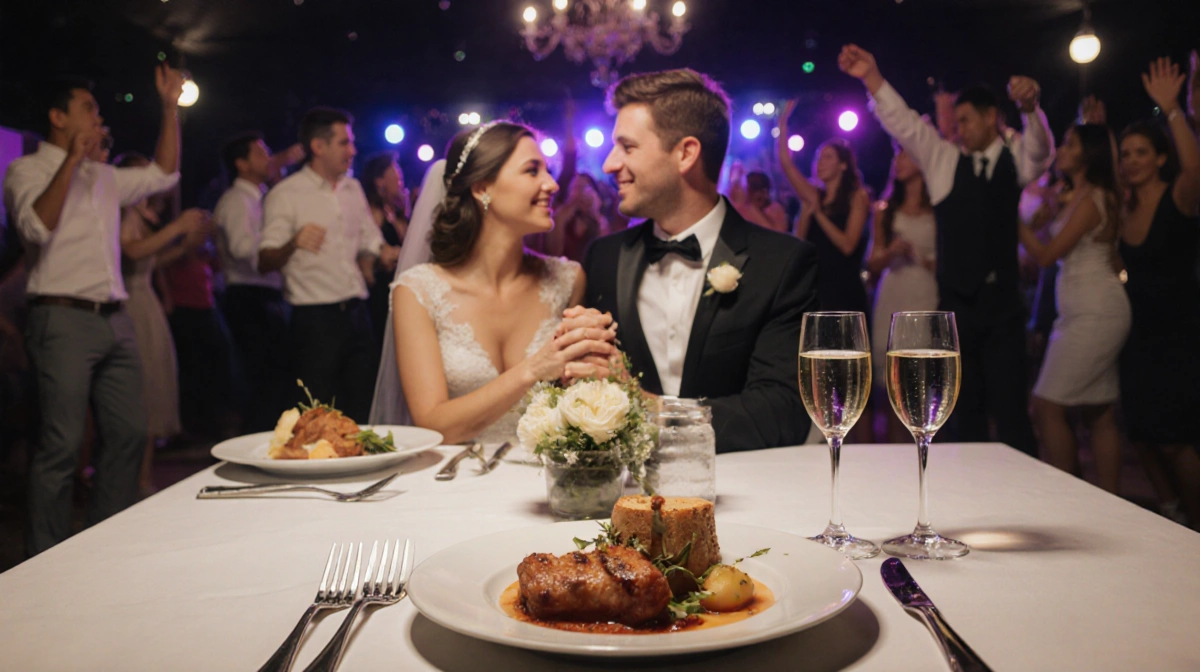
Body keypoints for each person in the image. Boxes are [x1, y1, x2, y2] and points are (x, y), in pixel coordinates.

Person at [574, 68, 819, 452]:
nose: (608, 164)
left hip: (747, 493)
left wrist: (654, 411)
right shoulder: (604, 257)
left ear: (686, 153)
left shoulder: (783, 263)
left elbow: (783, 412)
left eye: (627, 147)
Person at [2, 65, 183, 555]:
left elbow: (164, 173)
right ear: (58, 117)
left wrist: (169, 107)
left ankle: (100, 544)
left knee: (130, 432)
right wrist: (71, 161)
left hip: (115, 317)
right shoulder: (26, 170)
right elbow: (37, 228)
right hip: (60, 317)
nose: (98, 118)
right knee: (60, 444)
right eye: (88, 109)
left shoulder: (102, 176)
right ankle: (44, 555)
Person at [839, 44, 1053, 456]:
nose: (960, 128)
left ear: (992, 117)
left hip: (1005, 309)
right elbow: (904, 125)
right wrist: (872, 78)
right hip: (957, 310)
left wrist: (1031, 110)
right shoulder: (943, 160)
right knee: (961, 415)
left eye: (967, 120)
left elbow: (1042, 151)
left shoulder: (1016, 161)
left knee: (1011, 413)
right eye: (957, 121)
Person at [377, 122, 615, 455]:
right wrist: (532, 370)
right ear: (482, 187)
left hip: (546, 481)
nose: (550, 184)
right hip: (454, 484)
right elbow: (432, 425)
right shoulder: (417, 291)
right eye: (532, 171)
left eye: (548, 170)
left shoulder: (567, 280)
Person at [258, 108, 400, 421]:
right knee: (317, 409)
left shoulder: (352, 188)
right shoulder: (286, 194)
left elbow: (369, 238)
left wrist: (385, 252)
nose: (353, 150)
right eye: (344, 143)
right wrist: (293, 242)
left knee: (363, 403)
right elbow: (264, 260)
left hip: (357, 312)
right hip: (314, 320)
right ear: (318, 147)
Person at [1017, 124, 1130, 493]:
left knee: (1046, 406)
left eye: (1070, 144)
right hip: (1080, 312)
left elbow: (1047, 255)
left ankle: (1069, 495)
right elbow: (1041, 234)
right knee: (1098, 411)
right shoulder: (1072, 195)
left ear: (1088, 154)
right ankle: (1109, 498)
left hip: (1096, 312)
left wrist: (1011, 218)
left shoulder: (1095, 197)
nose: (1061, 151)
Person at [1118, 58, 1200, 528]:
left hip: (1180, 335)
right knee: (1143, 435)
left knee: (1175, 438)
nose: (1131, 161)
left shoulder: (1181, 195)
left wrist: (1172, 110)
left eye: (1141, 153)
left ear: (1161, 157)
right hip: (1139, 336)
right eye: (1125, 154)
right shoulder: (1126, 209)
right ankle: (1173, 513)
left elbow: (1195, 165)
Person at [116, 152, 209, 494]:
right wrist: (176, 228)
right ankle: (137, 480)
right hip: (131, 304)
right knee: (143, 392)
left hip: (145, 301)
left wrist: (184, 246)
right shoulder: (123, 210)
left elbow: (151, 260)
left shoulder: (138, 211)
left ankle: (143, 477)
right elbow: (133, 252)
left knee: (154, 389)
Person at [213, 131, 290, 432]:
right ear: (241, 164)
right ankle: (253, 443)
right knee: (262, 378)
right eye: (260, 153)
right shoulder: (235, 200)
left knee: (274, 378)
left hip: (265, 295)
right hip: (248, 296)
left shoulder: (259, 198)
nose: (268, 159)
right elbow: (242, 248)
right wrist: (279, 247)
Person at [865, 145, 937, 442]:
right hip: (893, 291)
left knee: (921, 383)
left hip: (924, 290)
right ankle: (894, 455)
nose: (899, 161)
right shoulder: (884, 210)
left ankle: (923, 449)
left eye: (906, 153)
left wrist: (923, 257)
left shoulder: (937, 210)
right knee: (892, 385)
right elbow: (872, 263)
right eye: (897, 155)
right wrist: (891, 251)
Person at [777, 101, 870, 314]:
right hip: (814, 287)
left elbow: (847, 245)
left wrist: (818, 214)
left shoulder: (857, 197)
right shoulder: (814, 195)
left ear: (844, 164)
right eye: (818, 157)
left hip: (844, 289)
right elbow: (786, 164)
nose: (820, 162)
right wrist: (782, 124)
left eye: (827, 157)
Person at [361, 151, 409, 347]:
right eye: (395, 174)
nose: (400, 179)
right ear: (379, 180)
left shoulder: (394, 213)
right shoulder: (372, 213)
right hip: (381, 289)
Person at [554, 173, 608, 263]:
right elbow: (554, 253)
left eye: (585, 188)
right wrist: (561, 218)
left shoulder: (600, 221)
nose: (580, 194)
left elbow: (605, 255)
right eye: (575, 188)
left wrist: (596, 214)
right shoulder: (562, 215)